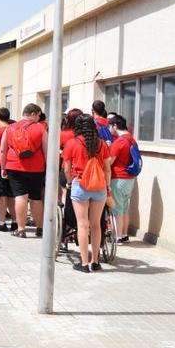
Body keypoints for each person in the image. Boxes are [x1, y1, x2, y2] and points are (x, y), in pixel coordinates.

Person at [63, 114, 112, 273]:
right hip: (99, 186)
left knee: (82, 225)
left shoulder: (72, 143)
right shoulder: (102, 144)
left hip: (80, 184)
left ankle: (84, 263)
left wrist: (70, 183)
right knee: (96, 225)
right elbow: (107, 169)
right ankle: (95, 261)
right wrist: (108, 187)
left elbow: (66, 168)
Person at [0, 103, 48, 238]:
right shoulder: (40, 128)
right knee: (36, 198)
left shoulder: (9, 128)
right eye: (38, 115)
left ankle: (21, 229)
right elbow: (47, 151)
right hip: (36, 168)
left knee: (20, 197)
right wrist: (49, 169)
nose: (39, 118)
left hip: (14, 166)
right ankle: (40, 228)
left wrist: (3, 167)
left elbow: (3, 150)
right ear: (33, 114)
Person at [108, 114, 137, 244]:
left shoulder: (119, 141)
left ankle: (117, 236)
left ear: (115, 126)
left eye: (110, 126)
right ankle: (124, 234)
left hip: (118, 178)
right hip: (130, 178)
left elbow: (109, 161)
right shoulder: (132, 139)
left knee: (117, 209)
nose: (109, 129)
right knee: (125, 207)